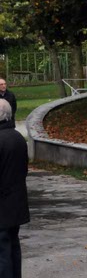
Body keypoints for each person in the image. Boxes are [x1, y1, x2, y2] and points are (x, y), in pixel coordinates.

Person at [0, 98, 29, 278]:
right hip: (16, 200)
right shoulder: (17, 137)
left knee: (2, 251)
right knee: (12, 245)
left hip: (2, 203)